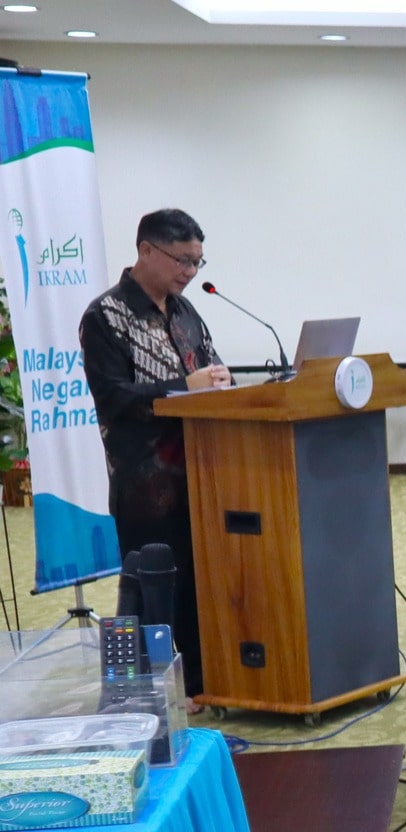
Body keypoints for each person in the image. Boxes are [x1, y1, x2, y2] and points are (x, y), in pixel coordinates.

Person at [80, 208, 233, 698]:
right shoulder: (105, 317)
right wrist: (183, 387)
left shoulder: (186, 312)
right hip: (146, 484)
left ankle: (204, 686)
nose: (190, 271)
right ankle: (150, 697)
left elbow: (207, 369)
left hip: (203, 474)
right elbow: (114, 399)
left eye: (197, 262)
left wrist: (220, 381)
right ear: (146, 250)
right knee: (154, 591)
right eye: (181, 260)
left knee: (201, 585)